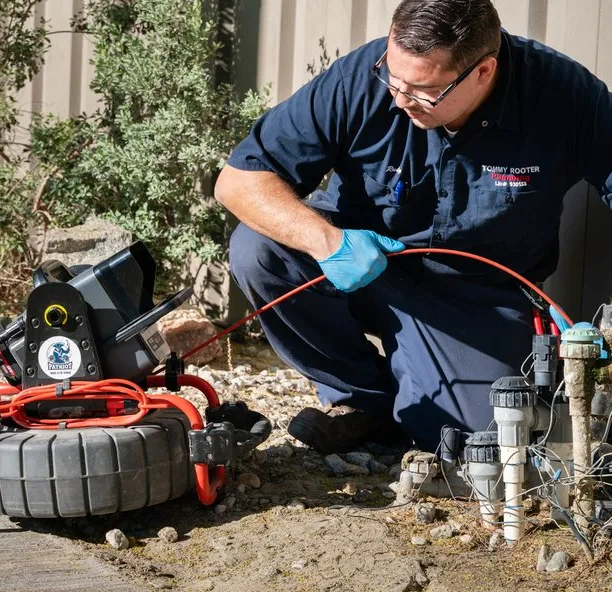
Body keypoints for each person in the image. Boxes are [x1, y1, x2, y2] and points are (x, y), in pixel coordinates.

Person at [215, 0, 612, 454]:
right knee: (258, 249)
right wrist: (327, 242)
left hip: (474, 298)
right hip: (358, 262)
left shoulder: (563, 95)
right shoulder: (363, 77)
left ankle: (412, 406)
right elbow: (239, 181)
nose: (399, 98)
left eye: (423, 90)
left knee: (475, 442)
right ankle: (362, 400)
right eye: (392, 76)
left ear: (482, 72)